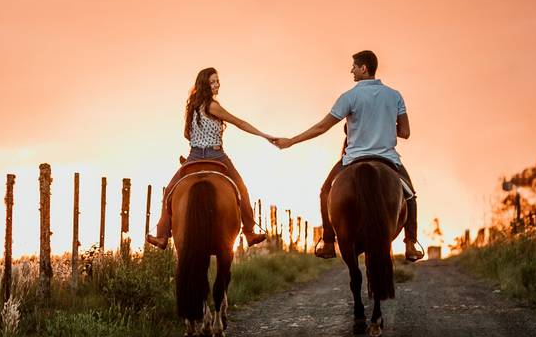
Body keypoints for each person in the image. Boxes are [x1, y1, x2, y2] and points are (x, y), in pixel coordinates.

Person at [273, 50, 423, 261]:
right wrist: (383, 125)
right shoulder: (394, 95)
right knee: (409, 194)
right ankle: (410, 244)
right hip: (388, 159)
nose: (351, 70)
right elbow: (405, 132)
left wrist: (291, 141)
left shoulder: (349, 97)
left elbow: (322, 127)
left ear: (364, 68)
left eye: (354, 66)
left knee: (326, 191)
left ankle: (327, 241)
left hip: (353, 159)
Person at [146, 67, 270, 249]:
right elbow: (239, 122)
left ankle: (162, 236)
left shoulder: (192, 107)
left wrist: (199, 138)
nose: (217, 84)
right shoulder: (213, 106)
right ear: (205, 84)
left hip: (194, 156)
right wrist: (263, 134)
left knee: (170, 191)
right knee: (242, 189)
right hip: (216, 155)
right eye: (213, 82)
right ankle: (250, 232)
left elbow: (186, 134)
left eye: (217, 81)